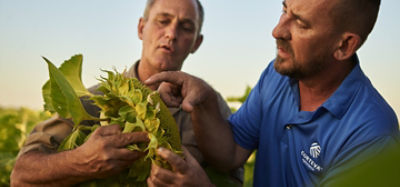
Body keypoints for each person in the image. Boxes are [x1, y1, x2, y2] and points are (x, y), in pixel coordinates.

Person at [145, 0, 399, 186]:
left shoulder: (372, 136)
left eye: (300, 23)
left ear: (344, 45)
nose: (277, 30)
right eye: (284, 9)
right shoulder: (279, 75)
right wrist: (203, 99)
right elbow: (231, 151)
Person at [11, 0, 242, 186]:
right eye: (163, 21)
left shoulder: (208, 106)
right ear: (141, 28)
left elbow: (232, 179)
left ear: (196, 43)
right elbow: (21, 175)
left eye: (186, 27)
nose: (171, 33)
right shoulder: (93, 102)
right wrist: (81, 161)